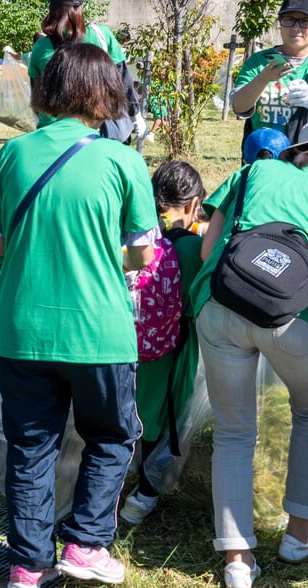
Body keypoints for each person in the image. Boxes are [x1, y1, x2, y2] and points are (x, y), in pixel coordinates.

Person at [0, 41, 156, 588]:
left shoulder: (12, 154)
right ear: (105, 93)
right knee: (112, 436)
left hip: (22, 329)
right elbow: (143, 252)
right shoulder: (122, 160)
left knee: (30, 446)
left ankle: (28, 565)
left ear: (49, 88)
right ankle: (86, 542)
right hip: (99, 330)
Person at [187, 138, 308, 588]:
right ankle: (298, 538)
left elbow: (206, 252)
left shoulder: (251, 173)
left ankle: (237, 561)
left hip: (222, 305)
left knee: (234, 432)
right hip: (295, 319)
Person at [119, 161, 205, 526]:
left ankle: (115, 484)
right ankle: (144, 497)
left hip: (124, 346)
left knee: (125, 414)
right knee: (165, 417)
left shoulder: (134, 240)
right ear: (192, 205)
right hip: (172, 350)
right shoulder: (196, 250)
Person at [28, 0, 141, 144]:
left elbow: (36, 94)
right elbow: (124, 81)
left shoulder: (41, 47)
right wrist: (134, 114)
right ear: (80, 8)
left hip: (53, 132)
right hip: (97, 131)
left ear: (51, 10)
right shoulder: (102, 35)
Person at [230, 0, 308, 150]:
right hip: (263, 160)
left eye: (305, 21)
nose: (296, 27)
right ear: (279, 23)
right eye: (289, 19)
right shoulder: (258, 62)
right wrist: (263, 78)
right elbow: (239, 107)